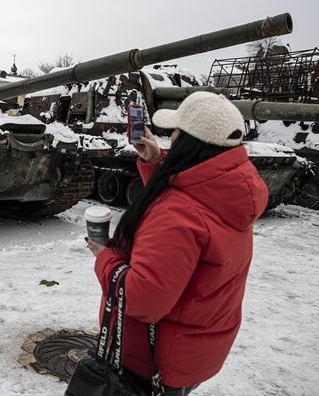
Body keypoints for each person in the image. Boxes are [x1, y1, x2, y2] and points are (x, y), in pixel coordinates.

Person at [85, 92, 269, 395]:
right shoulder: (232, 190)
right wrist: (157, 161)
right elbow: (195, 199)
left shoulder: (178, 214)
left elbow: (143, 299)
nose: (170, 136)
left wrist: (106, 257)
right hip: (195, 350)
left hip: (153, 361)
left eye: (175, 132)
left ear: (189, 143)